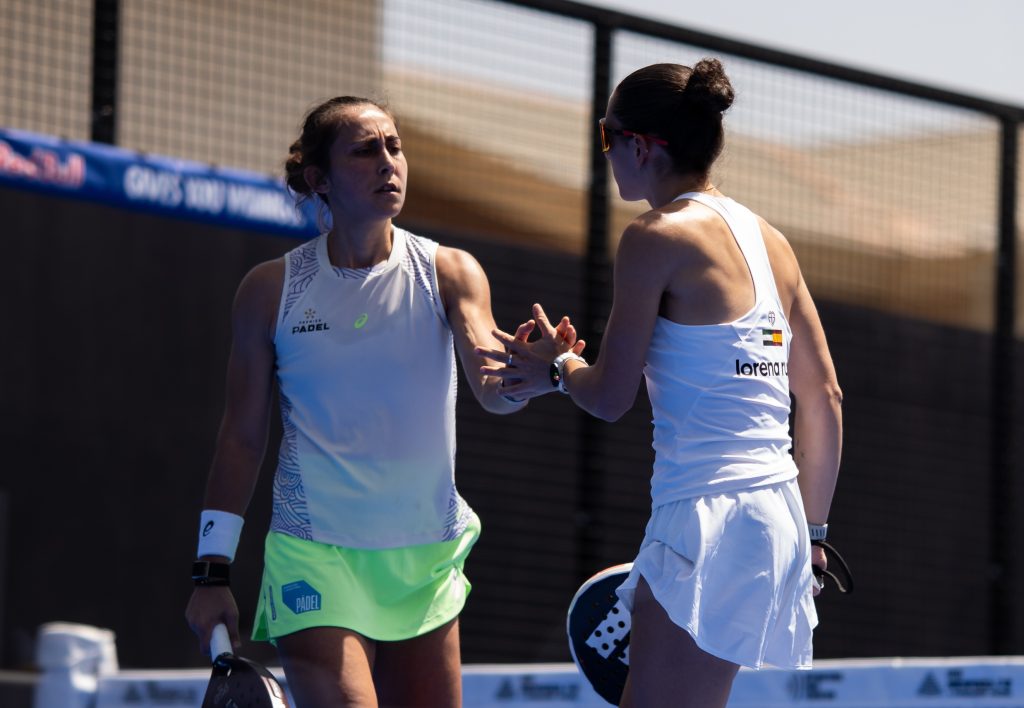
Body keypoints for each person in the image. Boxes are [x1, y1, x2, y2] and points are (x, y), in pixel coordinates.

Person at [184, 96, 570, 707]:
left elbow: (493, 392)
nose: (389, 162)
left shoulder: (450, 271)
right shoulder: (270, 290)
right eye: (366, 150)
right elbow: (241, 437)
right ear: (320, 179)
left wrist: (536, 376)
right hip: (314, 557)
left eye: (395, 146)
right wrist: (212, 571)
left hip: (425, 559)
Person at [479, 59, 843, 708]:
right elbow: (823, 398)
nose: (605, 152)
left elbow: (609, 396)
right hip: (779, 518)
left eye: (606, 135)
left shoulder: (654, 237)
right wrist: (813, 537)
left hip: (708, 515)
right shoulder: (773, 243)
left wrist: (556, 368)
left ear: (642, 147)